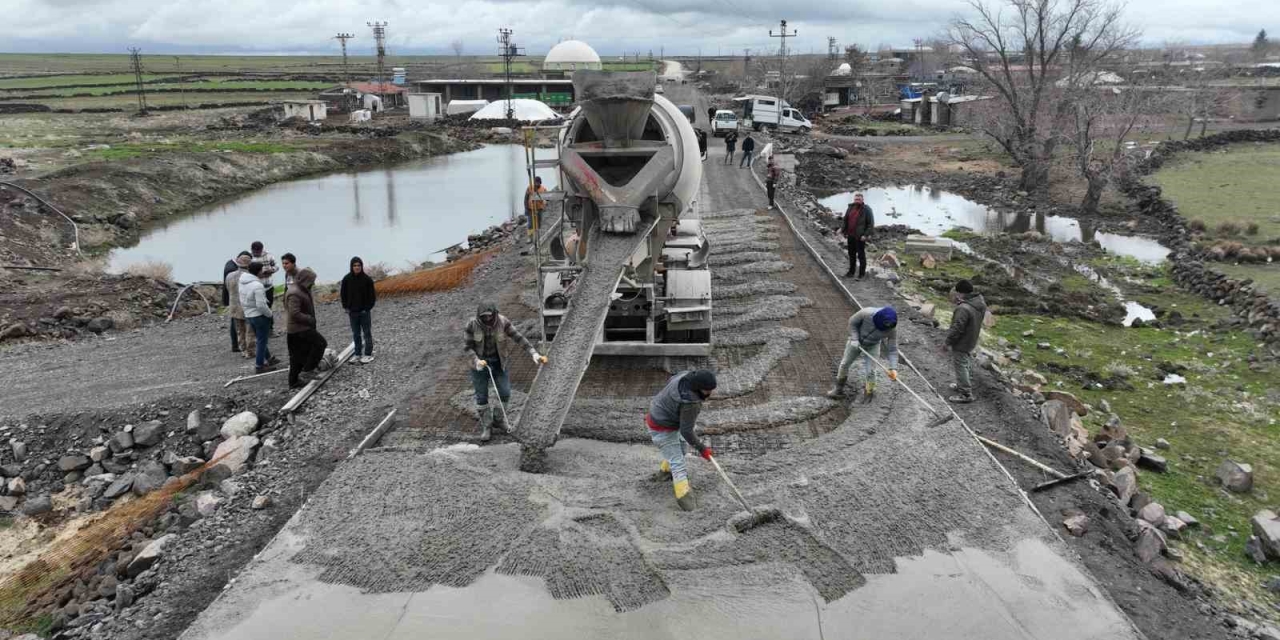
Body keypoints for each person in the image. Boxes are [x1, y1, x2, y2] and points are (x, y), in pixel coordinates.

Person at [464, 301, 548, 442]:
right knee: (482, 396)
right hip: (480, 365)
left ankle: (498, 419)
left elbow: (519, 337)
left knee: (505, 392)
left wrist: (533, 353)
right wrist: (476, 361)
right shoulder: (472, 325)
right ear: (479, 316)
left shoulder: (503, 322)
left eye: (490, 316)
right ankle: (487, 426)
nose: (487, 319)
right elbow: (467, 347)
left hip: (499, 363)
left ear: (495, 313)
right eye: (484, 317)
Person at [646, 369, 717, 511]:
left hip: (662, 415)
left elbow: (670, 380)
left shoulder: (684, 375)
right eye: (707, 390)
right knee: (678, 464)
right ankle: (686, 501)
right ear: (698, 388)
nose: (710, 393)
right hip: (661, 427)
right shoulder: (690, 402)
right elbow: (686, 431)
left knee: (682, 449)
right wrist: (702, 449)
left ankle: (665, 473)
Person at [828, 306, 898, 399]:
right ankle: (838, 390)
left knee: (871, 372)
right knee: (844, 364)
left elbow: (892, 349)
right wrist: (854, 338)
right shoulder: (866, 313)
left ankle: (869, 394)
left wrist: (893, 368)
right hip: (856, 342)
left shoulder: (892, 329)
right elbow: (852, 323)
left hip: (873, 346)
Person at [285, 267, 327, 389]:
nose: (313, 283)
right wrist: (309, 319)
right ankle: (308, 371)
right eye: (312, 281)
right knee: (320, 343)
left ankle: (293, 382)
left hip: (299, 329)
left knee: (297, 356)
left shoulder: (301, 289)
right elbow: (294, 313)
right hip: (299, 329)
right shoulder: (294, 293)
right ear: (306, 280)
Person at [945, 280, 986, 404]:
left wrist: (947, 342)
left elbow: (957, 328)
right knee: (965, 362)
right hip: (972, 339)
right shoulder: (979, 302)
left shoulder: (963, 308)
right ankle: (961, 384)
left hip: (962, 342)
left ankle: (965, 393)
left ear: (960, 293)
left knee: (960, 364)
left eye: (957, 292)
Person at [239, 262, 280, 373]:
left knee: (260, 339)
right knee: (262, 341)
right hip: (259, 316)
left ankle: (269, 359)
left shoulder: (242, 281)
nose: (263, 272)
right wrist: (270, 314)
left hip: (249, 314)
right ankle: (259, 365)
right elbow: (261, 305)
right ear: (258, 271)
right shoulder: (257, 285)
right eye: (262, 270)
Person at [340, 256, 377, 365]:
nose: (357, 267)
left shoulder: (367, 280)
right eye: (355, 265)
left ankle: (368, 354)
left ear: (362, 266)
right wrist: (346, 307)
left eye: (359, 265)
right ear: (351, 267)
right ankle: (357, 354)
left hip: (364, 312)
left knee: (367, 333)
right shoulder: (346, 279)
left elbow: (372, 297)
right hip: (352, 312)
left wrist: (367, 309)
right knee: (356, 334)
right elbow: (343, 294)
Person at [224, 253, 255, 358]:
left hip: (234, 307)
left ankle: (243, 349)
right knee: (250, 330)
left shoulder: (229, 276)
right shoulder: (251, 277)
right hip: (247, 307)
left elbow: (228, 289)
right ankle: (250, 351)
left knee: (240, 330)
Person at [840, 193, 874, 280]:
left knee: (861, 255)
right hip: (850, 236)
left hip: (860, 237)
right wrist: (843, 230)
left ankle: (861, 274)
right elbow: (845, 219)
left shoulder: (867, 209)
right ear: (854, 200)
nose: (857, 201)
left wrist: (865, 235)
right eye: (856, 199)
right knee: (851, 255)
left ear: (862, 200)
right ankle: (851, 272)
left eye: (859, 199)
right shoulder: (850, 207)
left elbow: (870, 224)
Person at [249, 241, 279, 307]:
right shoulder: (248, 257)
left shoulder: (269, 255)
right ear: (252, 249)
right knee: (256, 307)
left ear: (262, 249)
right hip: (254, 288)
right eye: (255, 252)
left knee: (268, 306)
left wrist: (271, 270)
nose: (256, 253)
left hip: (268, 287)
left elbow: (277, 266)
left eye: (258, 251)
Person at [222, 255, 241, 351]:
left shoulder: (229, 265)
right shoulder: (231, 270)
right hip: (235, 300)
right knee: (236, 322)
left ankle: (235, 345)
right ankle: (236, 345)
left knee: (234, 321)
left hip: (231, 299)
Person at [525, 176, 548, 242]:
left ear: (540, 182)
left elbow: (547, 197)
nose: (536, 184)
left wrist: (546, 201)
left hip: (539, 208)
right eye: (535, 182)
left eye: (538, 182)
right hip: (530, 208)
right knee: (530, 224)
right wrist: (526, 208)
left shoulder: (543, 189)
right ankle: (530, 237)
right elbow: (526, 198)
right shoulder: (530, 188)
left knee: (538, 223)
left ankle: (537, 236)